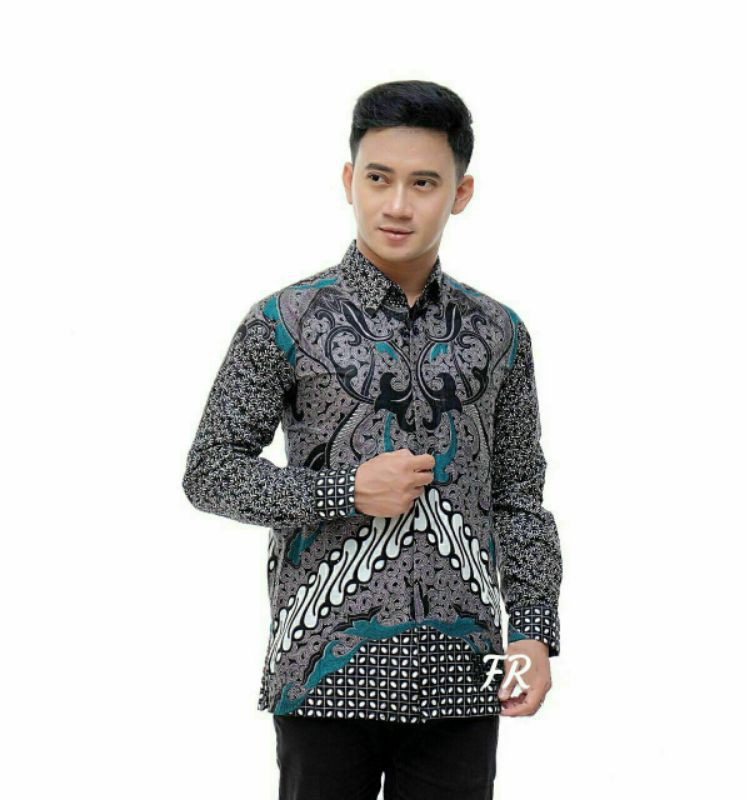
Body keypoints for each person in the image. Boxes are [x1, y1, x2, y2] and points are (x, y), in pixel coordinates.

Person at [182, 79, 563, 800]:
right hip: (321, 669)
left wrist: (534, 635)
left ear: (461, 192)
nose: (397, 205)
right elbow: (210, 471)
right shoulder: (283, 320)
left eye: (424, 183)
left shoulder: (501, 333)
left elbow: (519, 499)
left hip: (466, 674)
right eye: (379, 179)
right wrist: (344, 491)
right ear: (348, 180)